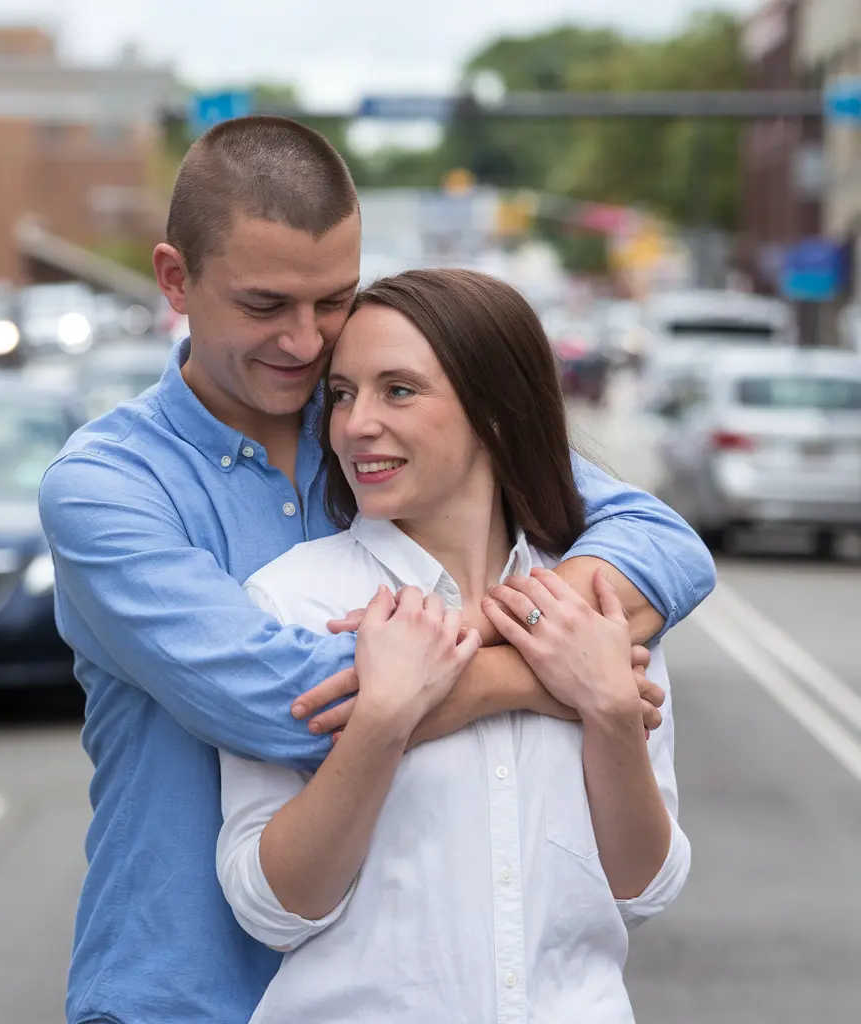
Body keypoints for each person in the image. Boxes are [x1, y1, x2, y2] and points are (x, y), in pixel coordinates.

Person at [38, 116, 715, 1024]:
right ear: (175, 281)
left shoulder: (378, 441)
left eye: (334, 301)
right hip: (179, 993)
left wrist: (538, 656)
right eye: (266, 305)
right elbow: (284, 701)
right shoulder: (107, 486)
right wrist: (550, 678)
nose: (307, 343)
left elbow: (661, 543)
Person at [218, 268, 689, 1022]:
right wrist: (382, 722)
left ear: (497, 413)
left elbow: (646, 888)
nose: (355, 424)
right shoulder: (295, 603)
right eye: (342, 394)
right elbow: (270, 909)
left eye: (397, 391)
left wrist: (606, 709)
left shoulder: (599, 608)